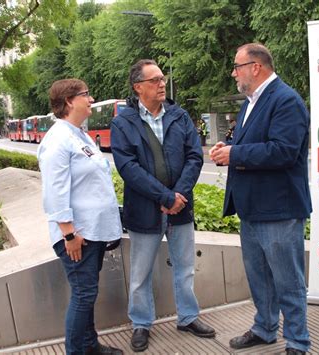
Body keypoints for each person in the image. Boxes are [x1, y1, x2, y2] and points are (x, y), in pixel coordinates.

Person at [209, 43, 312, 355]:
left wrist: (235, 153)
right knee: (260, 279)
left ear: (256, 67)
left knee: (287, 281)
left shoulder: (286, 100)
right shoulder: (252, 101)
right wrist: (225, 147)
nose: (234, 73)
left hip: (279, 209)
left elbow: (283, 150)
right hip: (252, 208)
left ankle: (297, 341)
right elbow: (252, 141)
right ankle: (264, 329)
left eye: (237, 66)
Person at [110, 59, 216, 352]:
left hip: (181, 207)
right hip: (146, 210)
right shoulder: (123, 122)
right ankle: (141, 323)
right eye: (154, 80)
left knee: (185, 268)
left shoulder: (179, 116)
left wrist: (178, 194)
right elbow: (128, 168)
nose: (161, 84)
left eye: (162, 79)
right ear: (138, 87)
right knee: (140, 273)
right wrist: (164, 197)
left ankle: (188, 317)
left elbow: (195, 156)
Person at [38, 79, 123, 355]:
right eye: (86, 94)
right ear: (69, 102)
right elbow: (55, 192)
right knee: (83, 295)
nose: (91, 98)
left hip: (92, 232)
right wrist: (69, 234)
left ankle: (90, 346)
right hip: (77, 236)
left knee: (87, 294)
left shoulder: (80, 135)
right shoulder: (58, 140)